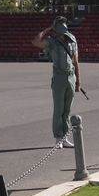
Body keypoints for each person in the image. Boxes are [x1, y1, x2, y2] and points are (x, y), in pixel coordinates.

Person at [33, 16, 83, 148]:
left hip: (71, 77)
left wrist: (78, 82)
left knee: (67, 110)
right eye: (60, 24)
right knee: (58, 109)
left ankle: (65, 137)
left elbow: (76, 62)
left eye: (64, 24)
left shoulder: (72, 40)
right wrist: (48, 28)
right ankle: (58, 137)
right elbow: (36, 41)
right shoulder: (52, 41)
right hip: (59, 77)